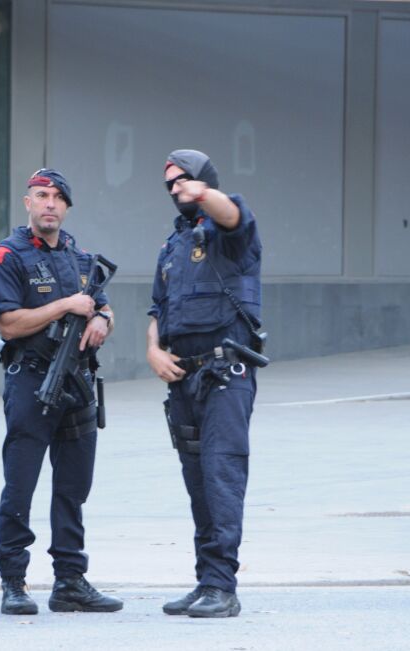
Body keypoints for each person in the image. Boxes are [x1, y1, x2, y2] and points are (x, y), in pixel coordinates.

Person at [0, 168, 123, 615]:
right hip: (32, 382)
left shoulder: (79, 255)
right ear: (28, 203)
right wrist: (63, 305)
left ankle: (70, 581)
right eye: (41, 195)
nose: (50, 204)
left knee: (73, 488)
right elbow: (7, 322)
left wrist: (103, 319)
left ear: (66, 207)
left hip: (77, 383)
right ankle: (13, 580)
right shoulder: (7, 256)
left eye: (58, 197)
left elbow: (102, 305)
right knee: (20, 483)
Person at [146, 149, 262, 618]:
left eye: (184, 181)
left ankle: (223, 586)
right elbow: (157, 308)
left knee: (221, 477)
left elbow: (232, 215)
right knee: (197, 483)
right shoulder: (172, 247)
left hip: (224, 375)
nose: (176, 190)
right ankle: (204, 580)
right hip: (183, 379)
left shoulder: (231, 234)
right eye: (170, 184)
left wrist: (205, 193)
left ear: (204, 181)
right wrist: (152, 350)